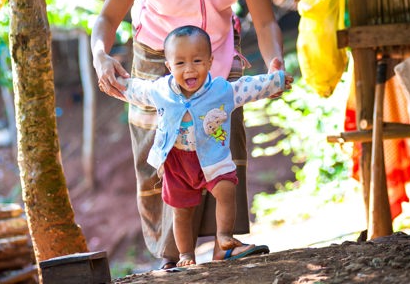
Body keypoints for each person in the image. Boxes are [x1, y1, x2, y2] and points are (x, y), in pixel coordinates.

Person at [90, 0, 286, 269]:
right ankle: (173, 257)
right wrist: (101, 56)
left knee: (220, 149)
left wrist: (275, 63)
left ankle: (224, 243)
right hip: (156, 59)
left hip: (214, 56)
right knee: (161, 155)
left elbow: (266, 23)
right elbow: (107, 17)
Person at [115, 26, 292, 267]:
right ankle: (186, 254)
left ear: (210, 62)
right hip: (177, 162)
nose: (189, 69)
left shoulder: (221, 90)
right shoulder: (161, 91)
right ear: (169, 67)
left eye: (197, 61)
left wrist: (276, 81)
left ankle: (224, 236)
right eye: (180, 63)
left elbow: (249, 87)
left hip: (212, 157)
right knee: (181, 211)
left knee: (226, 189)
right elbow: (137, 90)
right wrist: (113, 81)